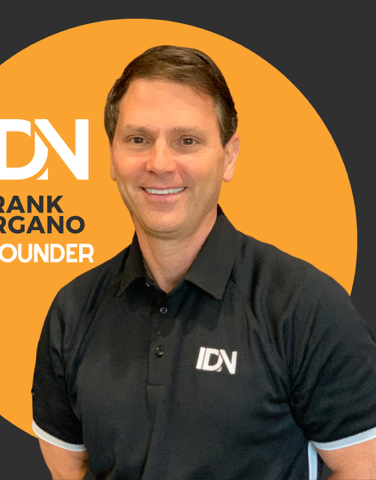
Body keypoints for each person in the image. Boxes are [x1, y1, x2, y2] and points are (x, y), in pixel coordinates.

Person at [31, 45, 376, 479]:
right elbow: (69, 470)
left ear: (229, 156)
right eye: (138, 140)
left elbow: (364, 468)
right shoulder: (73, 310)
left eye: (187, 141)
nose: (159, 163)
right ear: (112, 157)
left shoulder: (305, 307)